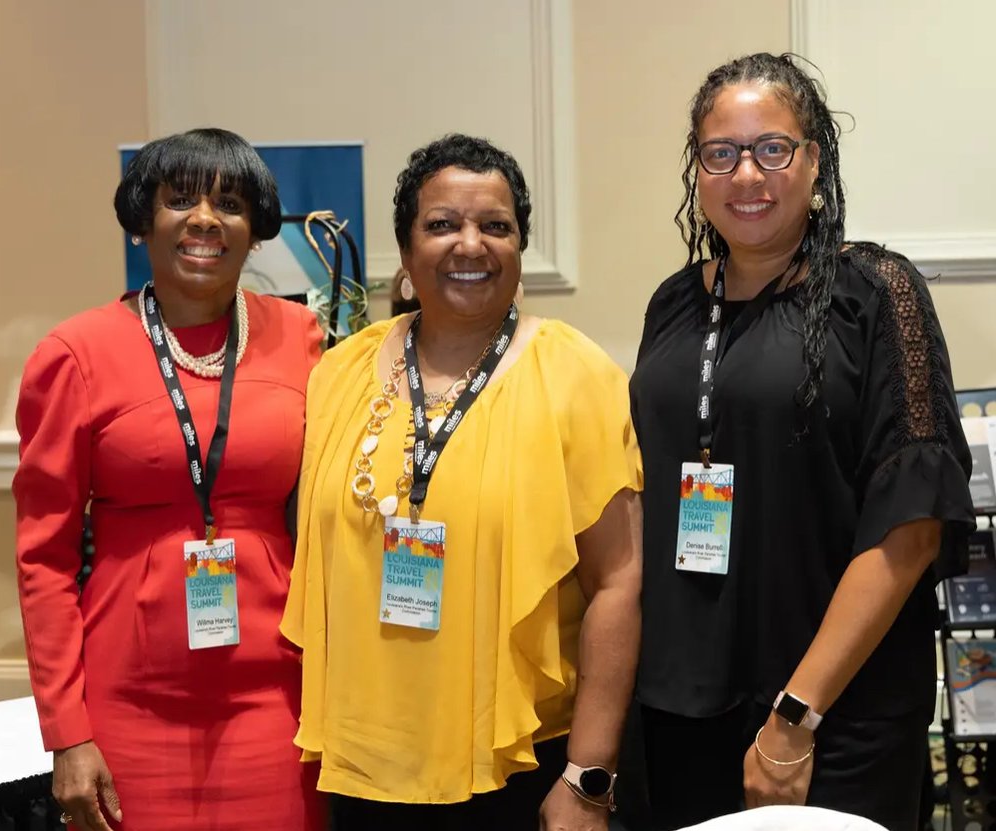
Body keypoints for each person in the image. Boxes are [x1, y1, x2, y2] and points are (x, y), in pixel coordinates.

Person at [630, 53, 974, 831]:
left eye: (772, 148)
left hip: (833, 711)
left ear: (814, 159)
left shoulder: (877, 291)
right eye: (722, 153)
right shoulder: (675, 303)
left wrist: (796, 713)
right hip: (684, 705)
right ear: (698, 169)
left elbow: (912, 524)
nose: (746, 174)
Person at [282, 133, 643, 831]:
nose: (470, 244)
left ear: (519, 246)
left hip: (519, 764)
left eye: (495, 226)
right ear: (407, 247)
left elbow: (618, 582)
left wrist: (588, 779)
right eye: (442, 224)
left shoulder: (573, 373)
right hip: (363, 763)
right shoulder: (338, 373)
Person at [13, 128, 326, 831]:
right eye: (180, 199)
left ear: (256, 229)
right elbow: (44, 558)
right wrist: (67, 731)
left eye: (231, 203)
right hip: (126, 702)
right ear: (141, 221)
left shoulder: (305, 340)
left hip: (279, 698)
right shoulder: (75, 353)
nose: (206, 219)